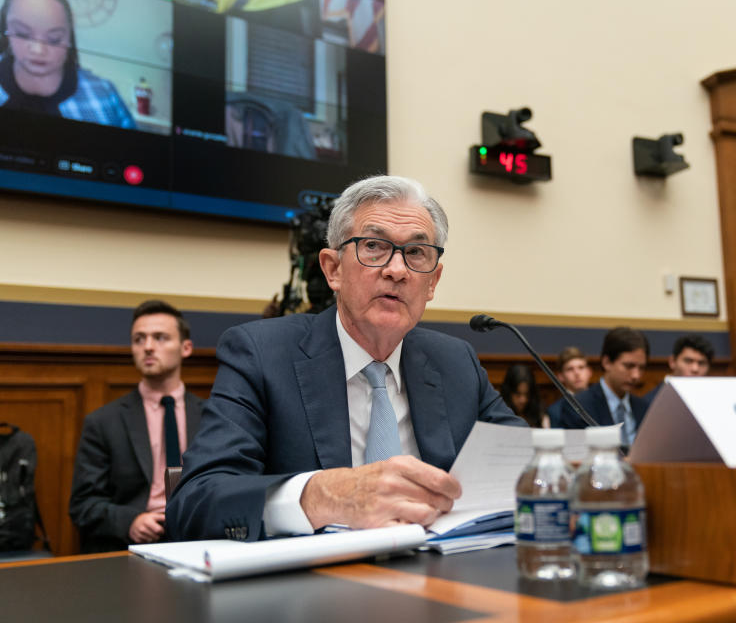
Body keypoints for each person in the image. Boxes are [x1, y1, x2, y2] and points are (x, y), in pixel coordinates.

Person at [166, 176, 526, 542]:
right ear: (333, 269)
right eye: (374, 246)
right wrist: (320, 496)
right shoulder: (261, 354)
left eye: (416, 253)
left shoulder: (454, 361)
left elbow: (524, 463)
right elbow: (195, 502)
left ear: (432, 282)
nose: (397, 270)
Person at [69, 300, 203, 552]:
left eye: (160, 338)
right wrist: (130, 521)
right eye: (139, 339)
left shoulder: (211, 417)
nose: (148, 347)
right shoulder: (103, 422)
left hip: (198, 538)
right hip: (129, 547)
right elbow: (83, 505)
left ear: (186, 348)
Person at [0, 0, 135, 128]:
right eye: (22, 33)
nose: (38, 50)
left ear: (69, 38)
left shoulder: (103, 94)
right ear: (5, 29)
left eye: (54, 39)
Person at [553, 327, 649, 448]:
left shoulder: (644, 408)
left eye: (641, 368)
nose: (636, 375)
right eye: (629, 366)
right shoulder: (578, 406)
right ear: (607, 362)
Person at [638, 334, 714, 413]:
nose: (695, 369)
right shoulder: (650, 402)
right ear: (672, 362)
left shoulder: (713, 400)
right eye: (688, 361)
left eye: (701, 363)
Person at [545, 346, 592, 427]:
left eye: (581, 367)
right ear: (561, 376)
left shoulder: (604, 402)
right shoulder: (554, 411)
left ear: (589, 372)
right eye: (570, 369)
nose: (577, 373)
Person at [499, 363, 543, 427]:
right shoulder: (499, 413)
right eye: (518, 394)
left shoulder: (539, 413)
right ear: (509, 393)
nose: (523, 400)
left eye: (527, 394)